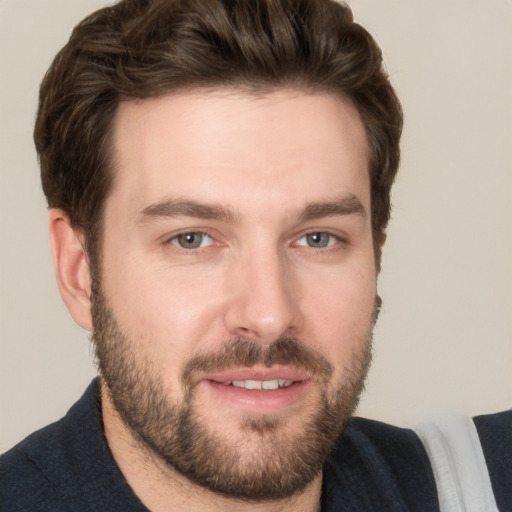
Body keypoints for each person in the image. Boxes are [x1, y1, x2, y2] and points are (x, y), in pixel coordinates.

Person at [0, 0, 510, 510]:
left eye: (318, 238)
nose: (269, 315)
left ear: (375, 252)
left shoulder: (480, 485)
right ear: (80, 270)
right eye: (192, 239)